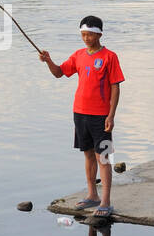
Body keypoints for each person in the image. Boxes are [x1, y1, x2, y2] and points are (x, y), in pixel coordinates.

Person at [40, 16, 124, 218]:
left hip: (101, 115)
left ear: (99, 34)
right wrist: (48, 61)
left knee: (103, 157)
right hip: (80, 113)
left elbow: (115, 86)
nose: (86, 38)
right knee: (87, 154)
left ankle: (105, 201)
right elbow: (59, 73)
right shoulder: (78, 55)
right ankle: (92, 195)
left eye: (90, 34)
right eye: (83, 34)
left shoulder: (109, 57)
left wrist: (111, 115)